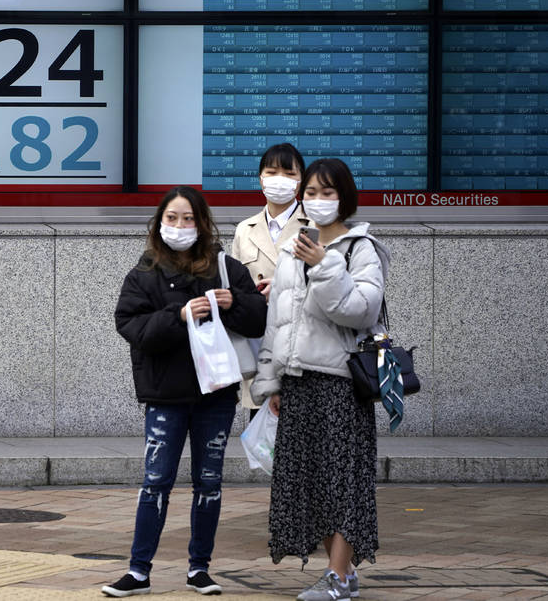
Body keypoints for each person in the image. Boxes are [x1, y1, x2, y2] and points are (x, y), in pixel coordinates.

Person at [106, 186, 267, 597]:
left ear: (203, 223)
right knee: (155, 480)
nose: (180, 226)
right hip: (165, 395)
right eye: (173, 218)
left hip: (215, 395)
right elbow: (132, 328)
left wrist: (234, 303)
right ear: (159, 223)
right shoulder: (143, 273)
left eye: (189, 218)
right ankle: (138, 571)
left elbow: (259, 320)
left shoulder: (226, 267)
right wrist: (177, 315)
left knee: (209, 482)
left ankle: (199, 569)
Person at [249, 159, 390, 601]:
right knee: (309, 483)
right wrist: (271, 382)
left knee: (342, 482)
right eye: (310, 192)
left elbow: (359, 311)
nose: (317, 201)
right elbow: (280, 320)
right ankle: (341, 574)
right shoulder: (295, 246)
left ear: (344, 197)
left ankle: (338, 576)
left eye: (327, 193)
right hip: (298, 381)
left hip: (341, 385)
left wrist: (325, 266)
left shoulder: (360, 249)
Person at [231, 143, 309, 411]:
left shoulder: (314, 226)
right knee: (260, 435)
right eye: (272, 172)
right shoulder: (245, 229)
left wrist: (283, 286)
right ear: (261, 179)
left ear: (300, 182)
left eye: (289, 173)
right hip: (258, 338)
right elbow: (234, 284)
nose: (280, 179)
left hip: (302, 340)